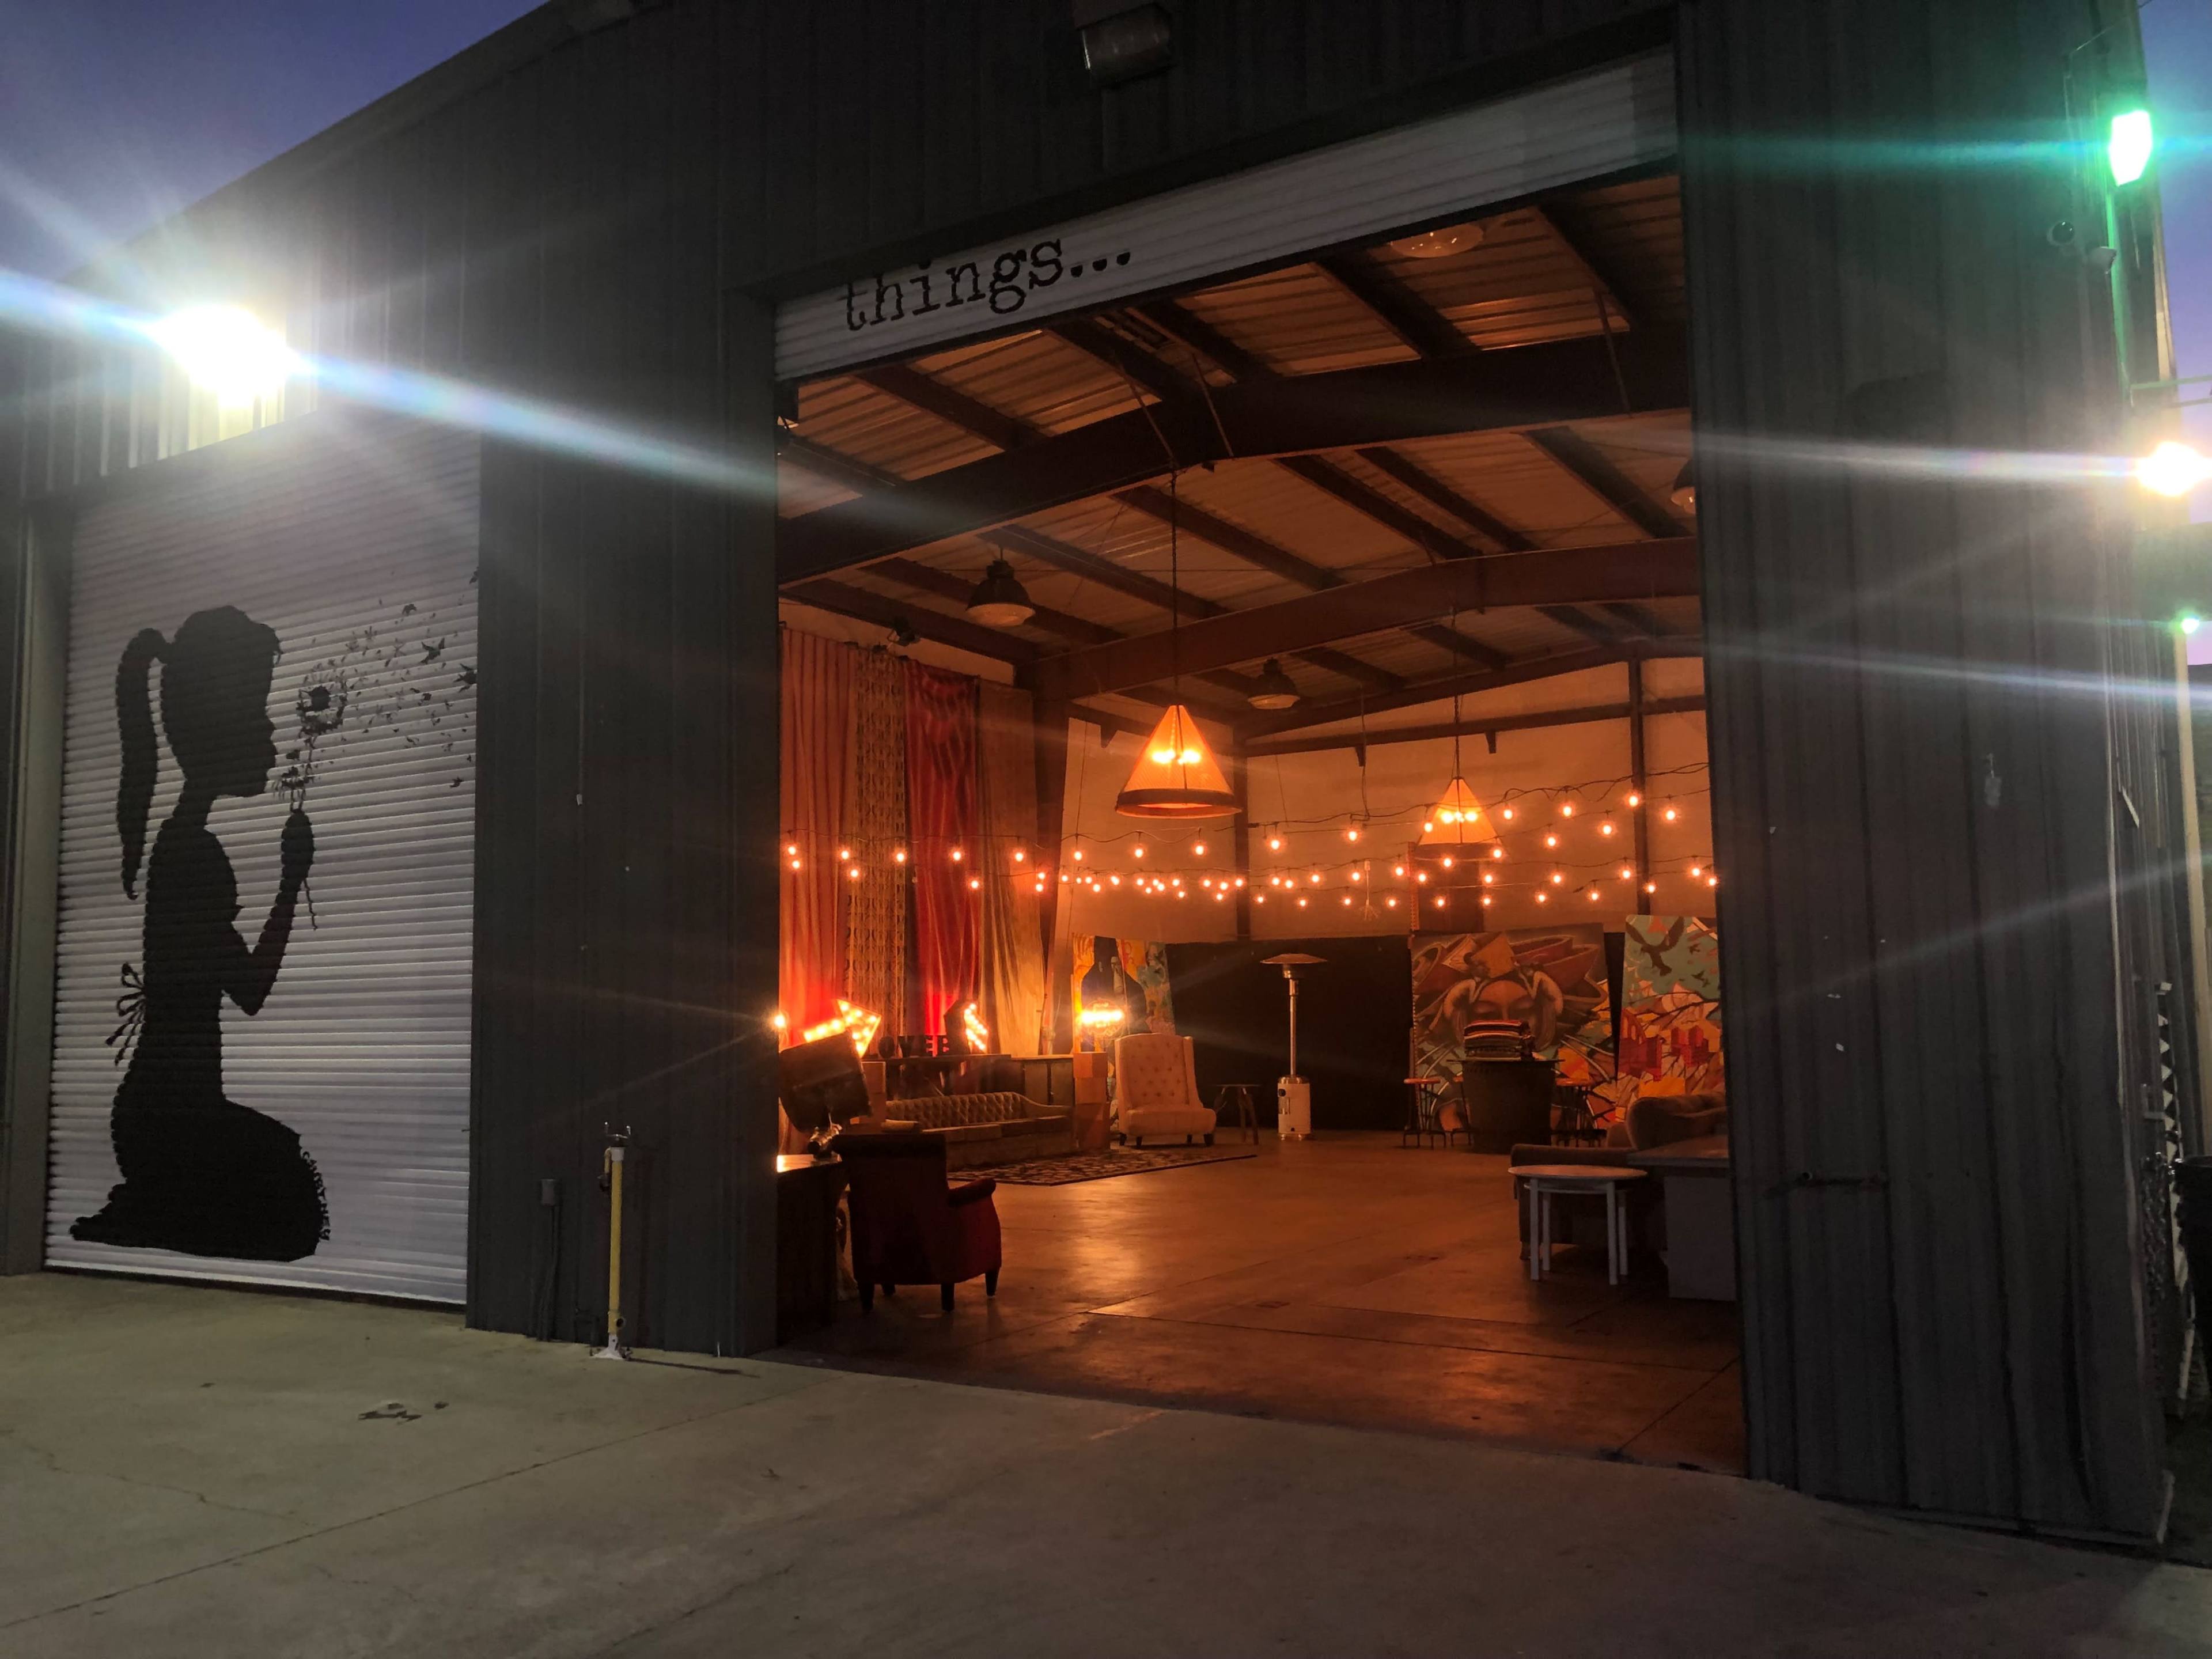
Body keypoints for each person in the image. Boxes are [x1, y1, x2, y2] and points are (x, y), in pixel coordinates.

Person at [71, 606, 328, 1261]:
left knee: (284, 1180)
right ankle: (150, 1204)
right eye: (258, 715)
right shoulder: (192, 855)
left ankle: (151, 1205)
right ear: (217, 728)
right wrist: (290, 879)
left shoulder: (180, 843)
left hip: (158, 1113)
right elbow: (251, 990)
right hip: (169, 1121)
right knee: (293, 1204)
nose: (272, 735)